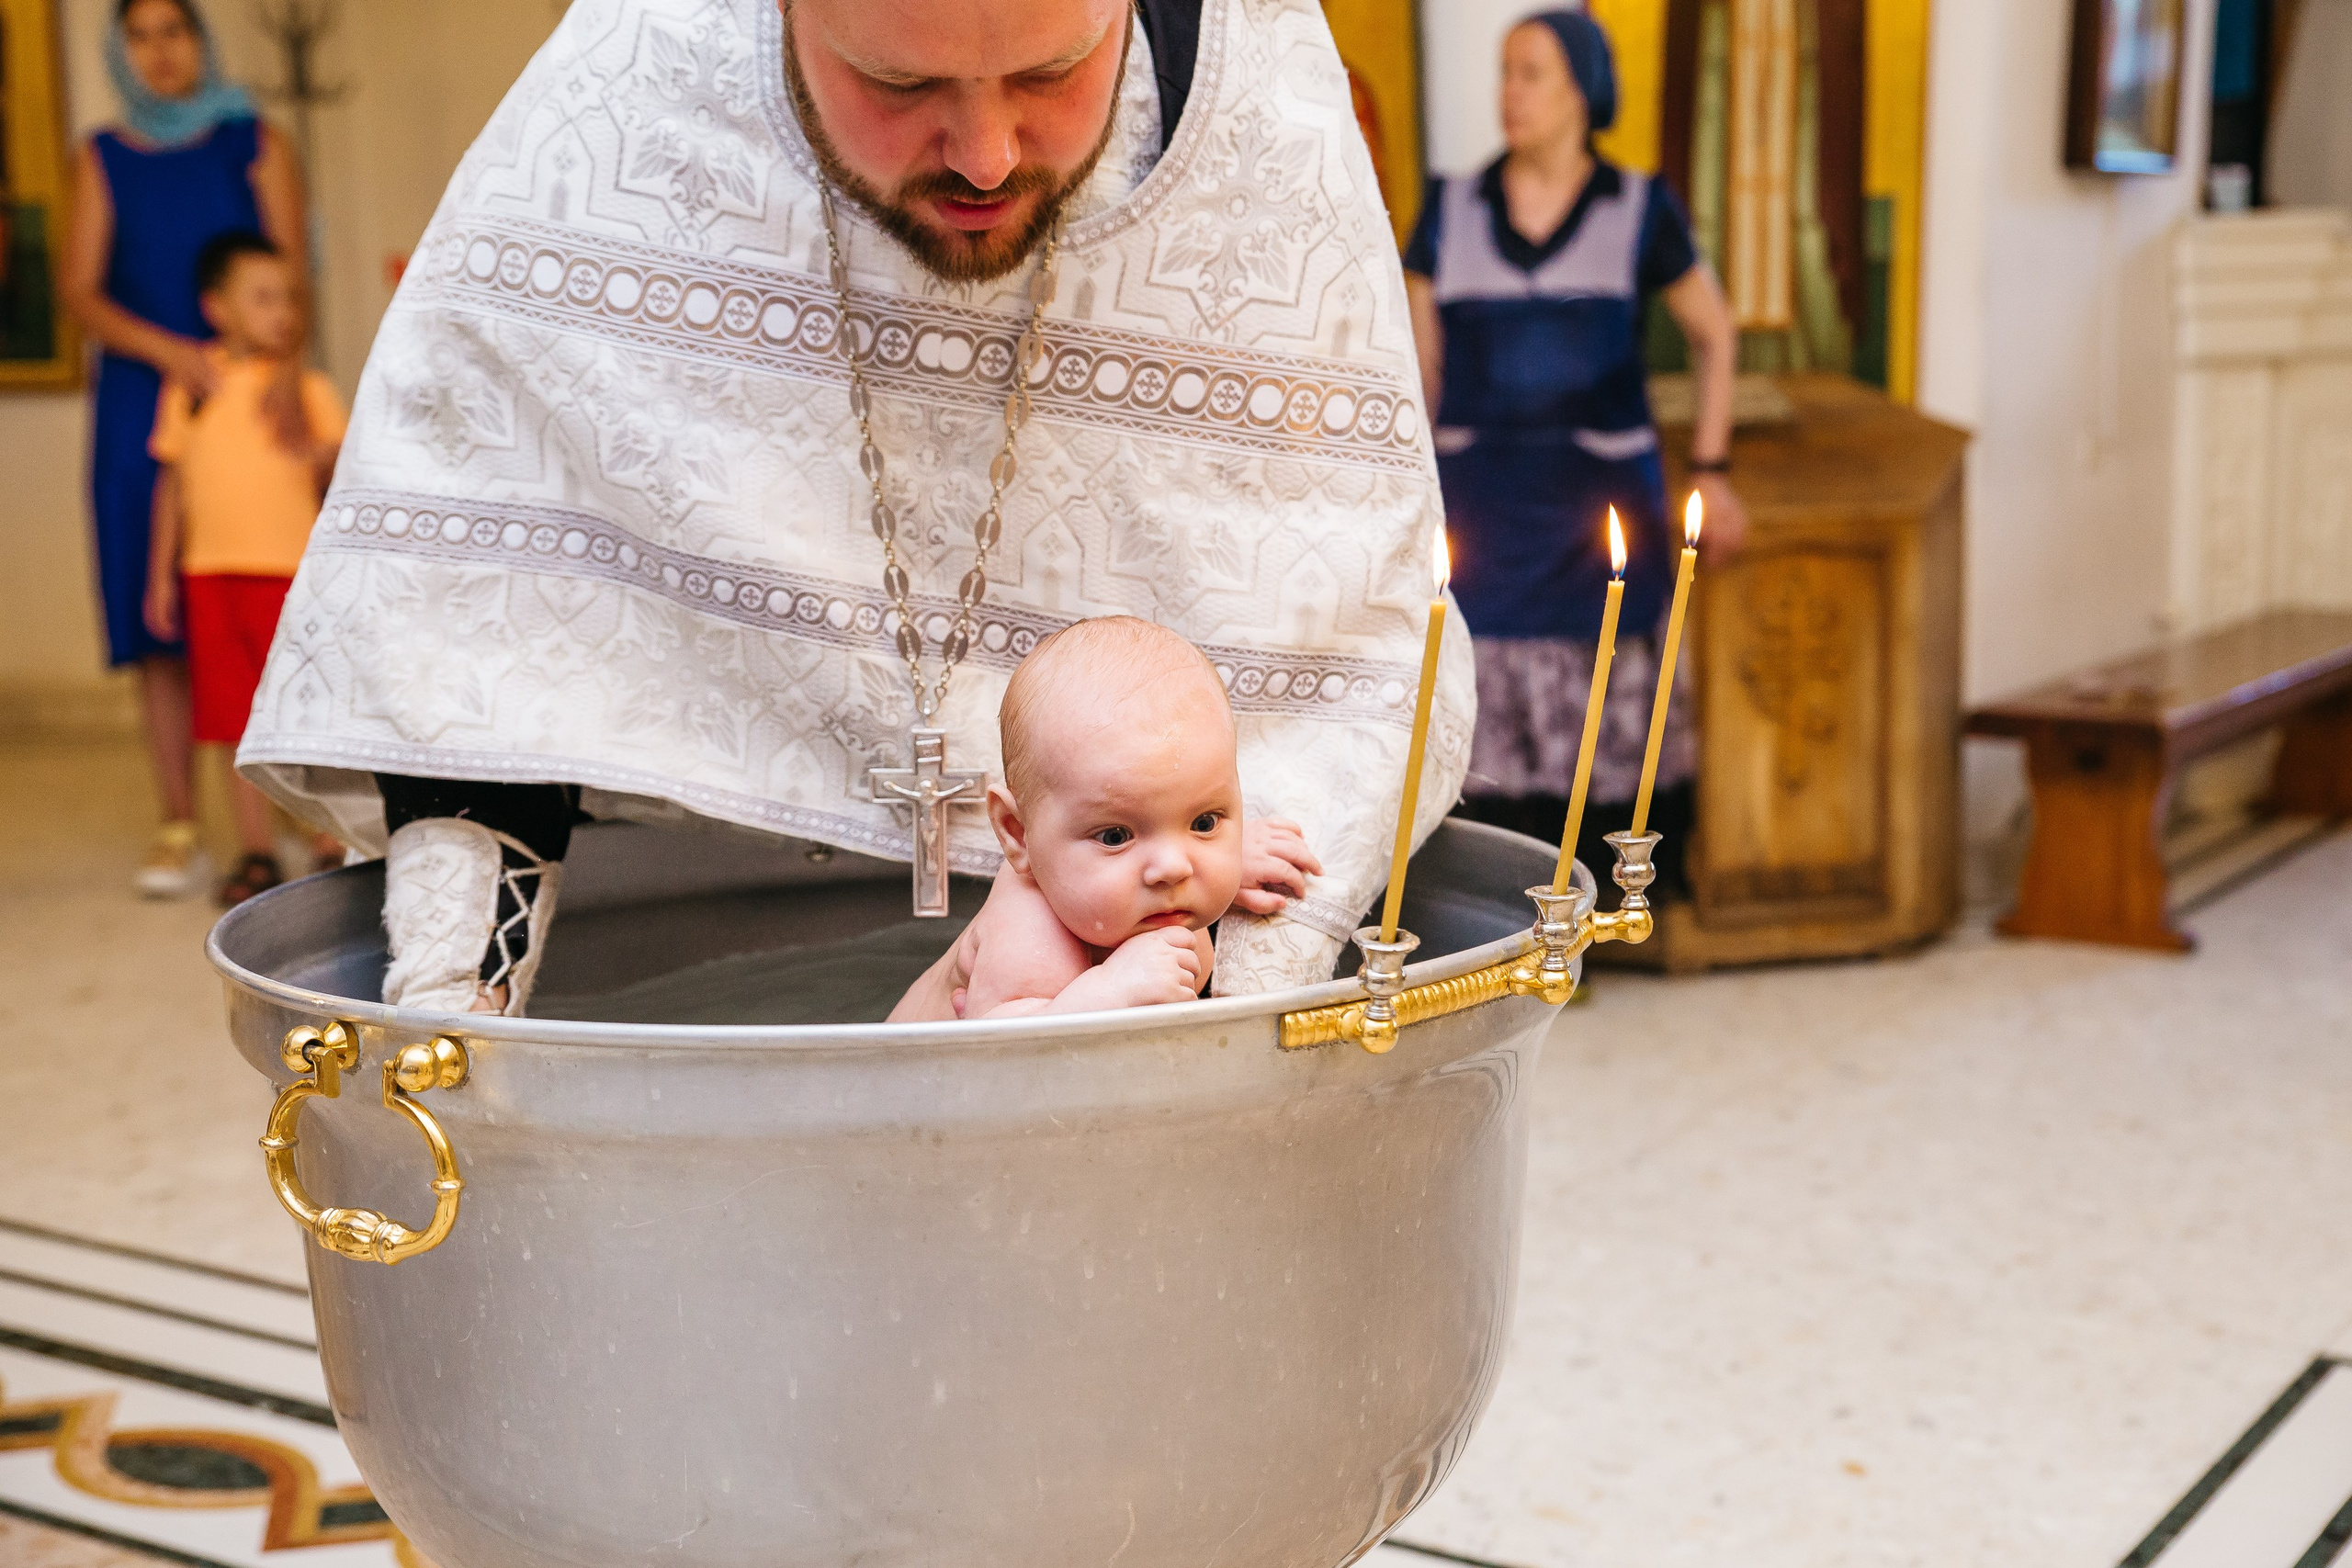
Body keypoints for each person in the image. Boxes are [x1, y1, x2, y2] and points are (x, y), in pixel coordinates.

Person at [233, 0, 1473, 1018]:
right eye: (900, 82)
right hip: (693, 927)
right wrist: (454, 1023)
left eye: (1053, 69)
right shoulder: (631, 85)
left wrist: (1217, 1013)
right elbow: (473, 610)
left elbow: (1347, 646)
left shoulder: (1251, 88)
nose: (986, 154)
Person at [1403, 9, 1746, 894]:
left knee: (1602, 701)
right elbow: (1421, 366)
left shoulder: (1640, 208)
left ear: (1583, 90)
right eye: (1504, 71)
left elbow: (1716, 334)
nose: (1508, 93)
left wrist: (1709, 469)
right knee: (1488, 706)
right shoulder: (1451, 207)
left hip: (1601, 510)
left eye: (1532, 74)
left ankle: (1599, 911)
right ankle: (1504, 915)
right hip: (1486, 503)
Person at [61, 0, 305, 899]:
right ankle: (178, 823)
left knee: (264, 601)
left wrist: (282, 372)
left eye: (177, 33)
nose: (162, 53)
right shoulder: (102, 158)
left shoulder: (256, 142)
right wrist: (170, 354)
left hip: (249, 396)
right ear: (121, 54)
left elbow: (292, 271)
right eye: (142, 37)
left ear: (200, 43)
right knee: (153, 611)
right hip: (142, 400)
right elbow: (79, 291)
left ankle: (281, 811)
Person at [890, 618, 1323, 1021]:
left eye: (1204, 822)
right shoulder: (1030, 935)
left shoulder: (1151, 883)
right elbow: (998, 1068)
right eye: (1116, 835)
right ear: (1019, 835)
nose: (1175, 867)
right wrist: (1107, 993)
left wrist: (1227, 859)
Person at [142, 233, 345, 905]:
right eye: (262, 297)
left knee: (302, 709)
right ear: (217, 308)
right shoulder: (192, 388)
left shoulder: (307, 389)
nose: (282, 311)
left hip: (288, 578)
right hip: (210, 578)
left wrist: (321, 457)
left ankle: (323, 833)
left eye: (290, 297)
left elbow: (346, 477)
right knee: (235, 717)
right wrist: (159, 576)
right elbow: (172, 486)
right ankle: (256, 847)